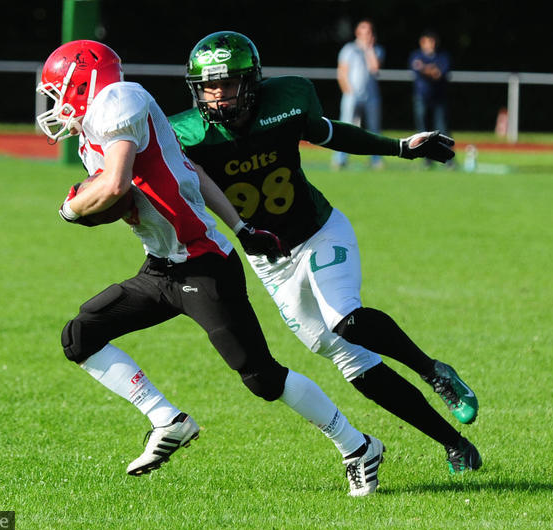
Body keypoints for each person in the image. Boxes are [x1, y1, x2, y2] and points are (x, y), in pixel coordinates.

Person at [36, 39, 385, 497]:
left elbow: (116, 185)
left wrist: (70, 209)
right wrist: (241, 227)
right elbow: (190, 171)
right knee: (80, 336)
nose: (55, 103)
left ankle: (358, 446)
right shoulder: (95, 130)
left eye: (58, 91)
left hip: (204, 266)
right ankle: (167, 420)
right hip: (162, 269)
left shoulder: (119, 101)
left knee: (262, 378)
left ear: (82, 83)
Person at [169, 31, 481, 475]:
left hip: (318, 231)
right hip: (270, 260)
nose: (218, 95)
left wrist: (398, 148)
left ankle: (433, 371)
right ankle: (455, 445)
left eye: (229, 83)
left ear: (252, 83)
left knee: (344, 317)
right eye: (209, 86)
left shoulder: (286, 101)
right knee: (348, 359)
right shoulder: (184, 133)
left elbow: (331, 134)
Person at [332, 18, 384, 170]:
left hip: (371, 96)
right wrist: (348, 92)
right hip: (352, 95)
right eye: (364, 31)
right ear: (357, 32)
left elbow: (375, 68)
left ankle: (376, 160)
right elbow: (342, 72)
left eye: (369, 32)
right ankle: (340, 159)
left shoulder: (377, 50)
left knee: (374, 129)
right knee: (345, 128)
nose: (367, 35)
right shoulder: (348, 49)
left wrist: (368, 49)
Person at [408, 30, 452, 166]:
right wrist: (431, 69)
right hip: (421, 97)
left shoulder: (442, 56)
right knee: (423, 131)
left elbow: (439, 73)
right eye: (427, 41)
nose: (430, 44)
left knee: (442, 129)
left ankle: (449, 160)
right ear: (422, 42)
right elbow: (419, 68)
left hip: (439, 98)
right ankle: (426, 159)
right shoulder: (416, 55)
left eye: (432, 41)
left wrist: (425, 68)